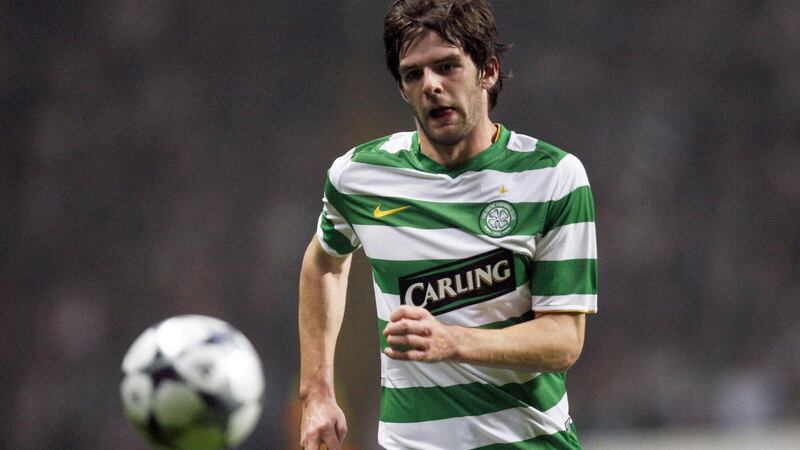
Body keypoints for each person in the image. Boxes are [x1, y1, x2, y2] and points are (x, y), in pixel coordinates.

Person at [298, 1, 597, 448]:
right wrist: (316, 392)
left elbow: (563, 340)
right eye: (413, 74)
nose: (431, 85)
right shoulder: (358, 178)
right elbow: (324, 262)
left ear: (488, 71)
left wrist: (453, 341)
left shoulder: (553, 177)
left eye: (447, 66)